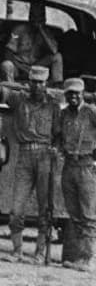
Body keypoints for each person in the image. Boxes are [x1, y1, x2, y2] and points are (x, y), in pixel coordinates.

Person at [0, 65, 61, 264]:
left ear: (46, 83)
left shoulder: (53, 105)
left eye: (41, 82)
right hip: (24, 155)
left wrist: (55, 149)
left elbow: (58, 134)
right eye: (34, 82)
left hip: (45, 156)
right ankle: (17, 251)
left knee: (45, 208)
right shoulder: (19, 99)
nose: (37, 86)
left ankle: (40, 253)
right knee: (17, 208)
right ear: (29, 82)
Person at [59, 78, 96, 271]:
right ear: (66, 95)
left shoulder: (91, 112)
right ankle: (77, 257)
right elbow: (58, 137)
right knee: (74, 214)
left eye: (77, 93)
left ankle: (88, 259)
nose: (73, 96)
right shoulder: (64, 114)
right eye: (70, 93)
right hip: (69, 166)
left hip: (86, 166)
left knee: (88, 215)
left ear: (82, 94)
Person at [2, 2, 64, 84]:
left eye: (40, 18)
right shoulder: (18, 30)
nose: (36, 21)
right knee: (6, 64)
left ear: (44, 19)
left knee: (58, 57)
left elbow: (54, 51)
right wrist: (20, 67)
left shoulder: (47, 33)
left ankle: (57, 85)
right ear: (29, 17)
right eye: (34, 17)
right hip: (19, 65)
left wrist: (41, 30)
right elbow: (8, 52)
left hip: (37, 66)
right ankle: (10, 87)